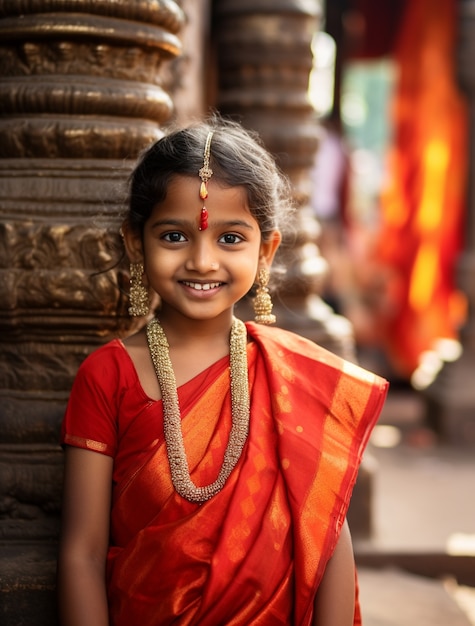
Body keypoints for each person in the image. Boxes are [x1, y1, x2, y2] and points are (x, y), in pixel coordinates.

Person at [57, 116, 388, 626]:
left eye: (231, 239)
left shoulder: (293, 377)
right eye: (174, 235)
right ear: (134, 244)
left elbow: (326, 541)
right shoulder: (108, 375)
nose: (203, 261)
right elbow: (81, 552)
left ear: (267, 250)